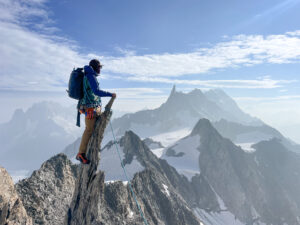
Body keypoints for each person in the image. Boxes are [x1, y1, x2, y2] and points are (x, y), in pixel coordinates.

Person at [76, 59, 116, 164]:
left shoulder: (88, 75)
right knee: (89, 130)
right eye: (99, 67)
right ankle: (81, 153)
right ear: (95, 67)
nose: (100, 69)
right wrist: (110, 94)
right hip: (90, 109)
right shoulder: (90, 76)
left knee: (91, 129)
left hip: (90, 108)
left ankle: (83, 152)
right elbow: (96, 91)